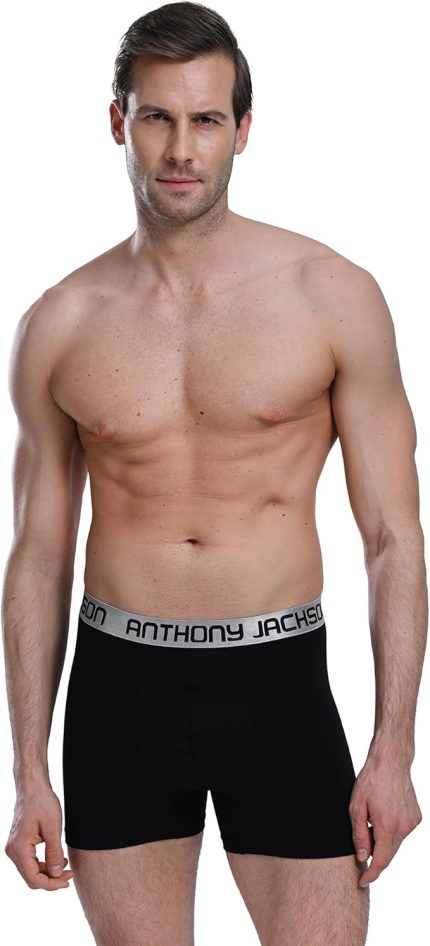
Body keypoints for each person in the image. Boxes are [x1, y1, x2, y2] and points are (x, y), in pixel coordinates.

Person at [2, 2, 427, 945]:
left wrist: (394, 748)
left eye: (205, 119)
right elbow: (37, 555)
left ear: (243, 128)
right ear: (118, 123)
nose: (180, 148)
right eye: (156, 117)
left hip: (279, 681)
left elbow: (393, 538)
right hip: (119, 690)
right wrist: (28, 769)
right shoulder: (59, 323)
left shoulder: (332, 296)